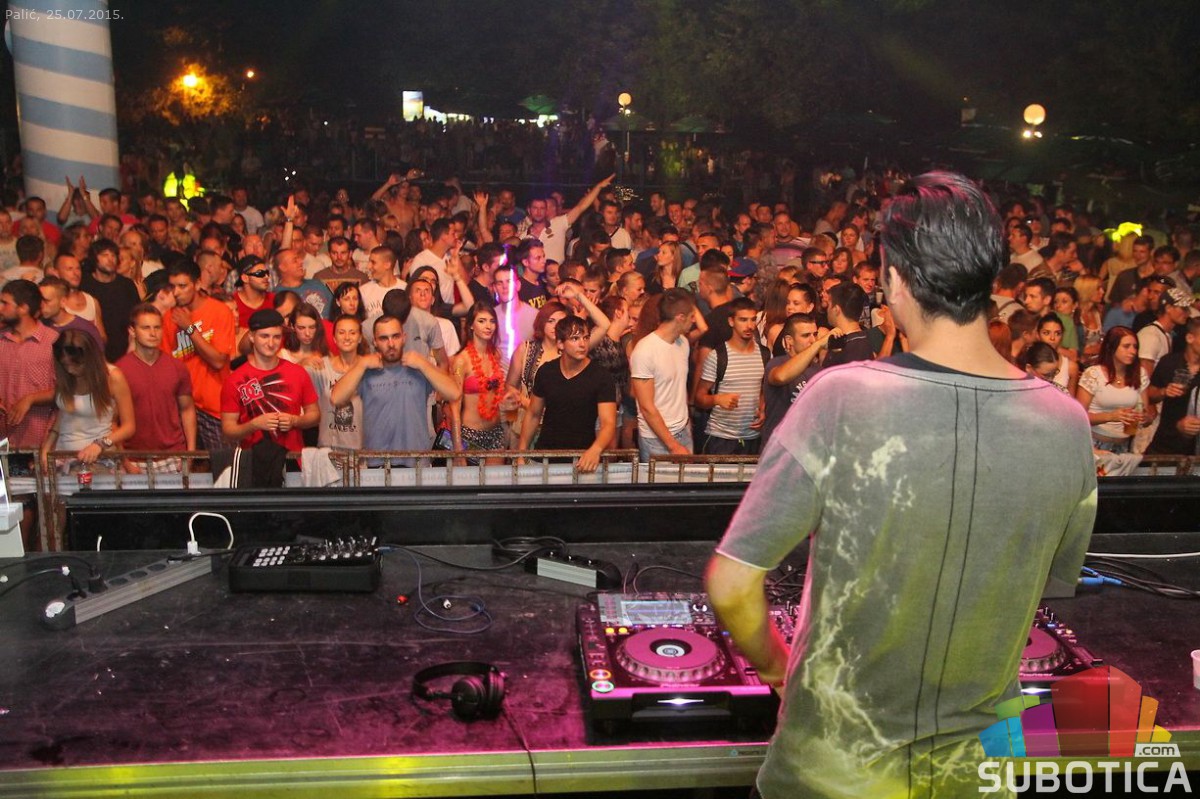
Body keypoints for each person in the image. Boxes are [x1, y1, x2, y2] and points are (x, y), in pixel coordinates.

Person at [706, 171, 1097, 799]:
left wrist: (781, 672)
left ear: (893, 279)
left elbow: (731, 584)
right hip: (979, 775)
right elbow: (1042, 588)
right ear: (990, 276)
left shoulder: (842, 397)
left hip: (837, 774)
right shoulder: (1067, 422)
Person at [329, 315, 462, 464]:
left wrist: (424, 364)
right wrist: (361, 365)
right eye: (384, 338)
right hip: (377, 464)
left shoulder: (419, 367)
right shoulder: (367, 370)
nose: (391, 343)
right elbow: (336, 398)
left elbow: (454, 393)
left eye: (395, 336)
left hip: (416, 463)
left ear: (404, 337)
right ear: (375, 342)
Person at [518, 315, 617, 472]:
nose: (582, 344)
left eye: (585, 338)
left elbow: (608, 423)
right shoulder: (547, 372)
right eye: (575, 338)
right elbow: (533, 414)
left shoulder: (601, 376)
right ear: (560, 343)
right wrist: (521, 453)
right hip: (545, 456)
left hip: (582, 459)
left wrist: (595, 449)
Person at [162, 260, 237, 453]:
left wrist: (189, 328)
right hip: (182, 406)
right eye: (172, 287)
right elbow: (166, 366)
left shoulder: (219, 311)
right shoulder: (168, 317)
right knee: (185, 466)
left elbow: (218, 361)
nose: (176, 292)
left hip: (215, 407)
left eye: (182, 286)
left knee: (223, 467)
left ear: (196, 284)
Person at [220, 309, 319, 453]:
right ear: (252, 337)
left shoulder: (298, 373)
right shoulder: (235, 380)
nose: (271, 343)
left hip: (292, 458)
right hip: (253, 459)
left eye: (277, 337)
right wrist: (253, 425)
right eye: (264, 336)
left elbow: (315, 415)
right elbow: (228, 430)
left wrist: (295, 421)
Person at [40, 328, 135, 474]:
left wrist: (100, 444)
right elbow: (66, 413)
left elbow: (129, 427)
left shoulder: (112, 377)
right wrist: (46, 448)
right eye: (65, 365)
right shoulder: (66, 377)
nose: (70, 370)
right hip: (63, 456)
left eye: (75, 364)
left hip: (98, 460)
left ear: (89, 358)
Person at [116, 304, 197, 471]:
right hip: (133, 458)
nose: (153, 333)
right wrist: (125, 461)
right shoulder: (119, 371)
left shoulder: (177, 367)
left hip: (173, 456)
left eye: (157, 327)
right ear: (132, 331)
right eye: (146, 328)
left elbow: (187, 409)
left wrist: (190, 452)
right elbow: (111, 420)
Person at [692, 297, 766, 455]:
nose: (749, 325)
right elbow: (699, 397)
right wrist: (717, 399)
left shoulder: (764, 354)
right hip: (721, 438)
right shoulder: (718, 356)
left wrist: (763, 408)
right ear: (731, 321)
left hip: (753, 437)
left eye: (753, 320)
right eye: (743, 320)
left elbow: (761, 390)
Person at [630, 288, 696, 459]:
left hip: (683, 430)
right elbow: (646, 407)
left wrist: (686, 424)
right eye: (691, 316)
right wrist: (673, 445)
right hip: (656, 439)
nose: (694, 320)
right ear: (680, 318)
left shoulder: (683, 343)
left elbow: (679, 388)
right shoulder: (645, 351)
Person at [0, 279, 60, 450]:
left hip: (40, 441)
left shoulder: (53, 342)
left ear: (23, 308)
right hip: (3, 441)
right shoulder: (1, 340)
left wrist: (31, 399)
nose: (0, 308)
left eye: (5, 303)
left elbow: (68, 392)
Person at [1075, 326, 1153, 454]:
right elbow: (1078, 417)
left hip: (1124, 446)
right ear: (1111, 347)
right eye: (1126, 346)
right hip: (1095, 444)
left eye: (1135, 347)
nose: (1132, 351)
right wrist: (1111, 416)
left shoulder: (1139, 374)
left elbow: (1147, 415)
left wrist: (1145, 418)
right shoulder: (1093, 374)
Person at [449, 302, 508, 463]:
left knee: (497, 478)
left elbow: (499, 393)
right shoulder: (461, 361)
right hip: (470, 435)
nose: (488, 326)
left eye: (492, 321)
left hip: (496, 432)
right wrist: (458, 447)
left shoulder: (495, 354)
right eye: (482, 321)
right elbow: (454, 406)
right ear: (471, 325)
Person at [308, 314, 365, 449]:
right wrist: (303, 361)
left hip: (361, 451)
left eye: (352, 333)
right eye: (341, 332)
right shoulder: (321, 367)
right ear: (334, 338)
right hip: (327, 449)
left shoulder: (369, 368)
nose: (347, 337)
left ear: (360, 338)